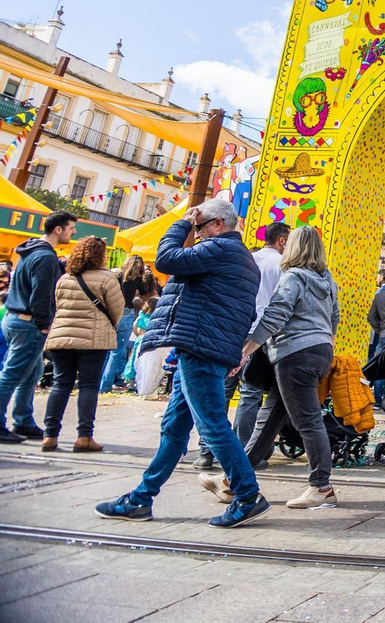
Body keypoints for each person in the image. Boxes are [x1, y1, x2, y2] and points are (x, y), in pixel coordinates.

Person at [94, 199, 268, 527]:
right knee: (174, 428)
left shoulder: (220, 248)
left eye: (199, 227)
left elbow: (166, 259)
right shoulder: (238, 257)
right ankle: (141, 498)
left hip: (202, 347)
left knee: (212, 424)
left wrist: (181, 224)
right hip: (204, 346)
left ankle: (247, 494)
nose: (196, 234)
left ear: (218, 224)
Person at [219, 226, 341, 510]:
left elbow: (275, 316)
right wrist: (327, 344)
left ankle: (321, 487)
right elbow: (334, 317)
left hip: (294, 353)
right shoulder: (328, 279)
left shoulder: (293, 277)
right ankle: (231, 480)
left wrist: (246, 351)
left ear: (293, 247)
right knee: (270, 419)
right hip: (319, 351)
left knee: (308, 421)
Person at [195, 220, 289, 472]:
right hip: (259, 334)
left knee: (221, 391)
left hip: (232, 330)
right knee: (250, 392)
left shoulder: (247, 259)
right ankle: (245, 451)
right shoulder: (281, 265)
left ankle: (206, 450)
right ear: (281, 241)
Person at [40, 236, 124, 453]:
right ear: (101, 255)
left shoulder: (65, 278)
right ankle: (84, 436)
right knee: (88, 386)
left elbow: (58, 305)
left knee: (60, 384)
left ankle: (50, 435)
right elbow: (116, 310)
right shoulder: (107, 278)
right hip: (93, 340)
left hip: (62, 336)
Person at [0, 210, 76, 443]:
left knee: (32, 373)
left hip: (16, 318)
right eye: (71, 228)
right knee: (12, 374)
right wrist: (44, 324)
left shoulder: (31, 251)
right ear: (58, 229)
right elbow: (41, 294)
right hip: (29, 322)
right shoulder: (44, 257)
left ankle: (23, 420)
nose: (73, 232)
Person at [101, 255, 155, 393]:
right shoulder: (137, 279)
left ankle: (99, 382)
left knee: (106, 350)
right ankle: (105, 386)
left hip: (110, 310)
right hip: (126, 312)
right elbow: (146, 293)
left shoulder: (116, 274)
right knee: (117, 352)